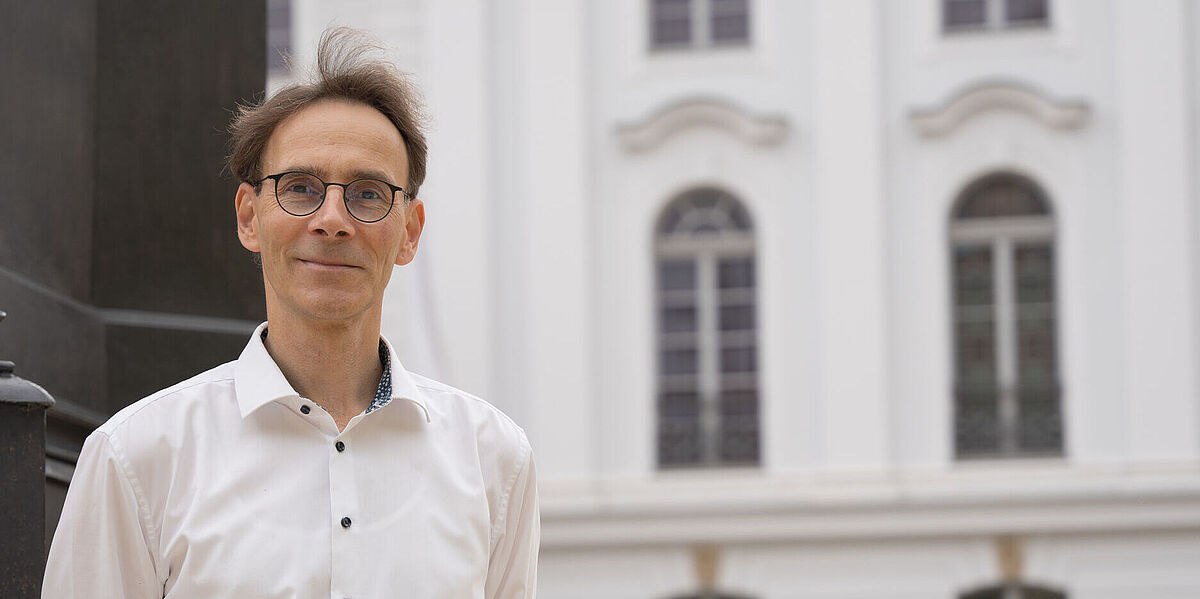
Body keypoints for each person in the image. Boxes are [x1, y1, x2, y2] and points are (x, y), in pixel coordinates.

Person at [43, 28, 538, 598]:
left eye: (369, 194)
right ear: (249, 217)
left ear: (410, 232)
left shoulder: (494, 460)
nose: (332, 219)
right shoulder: (136, 457)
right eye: (300, 188)